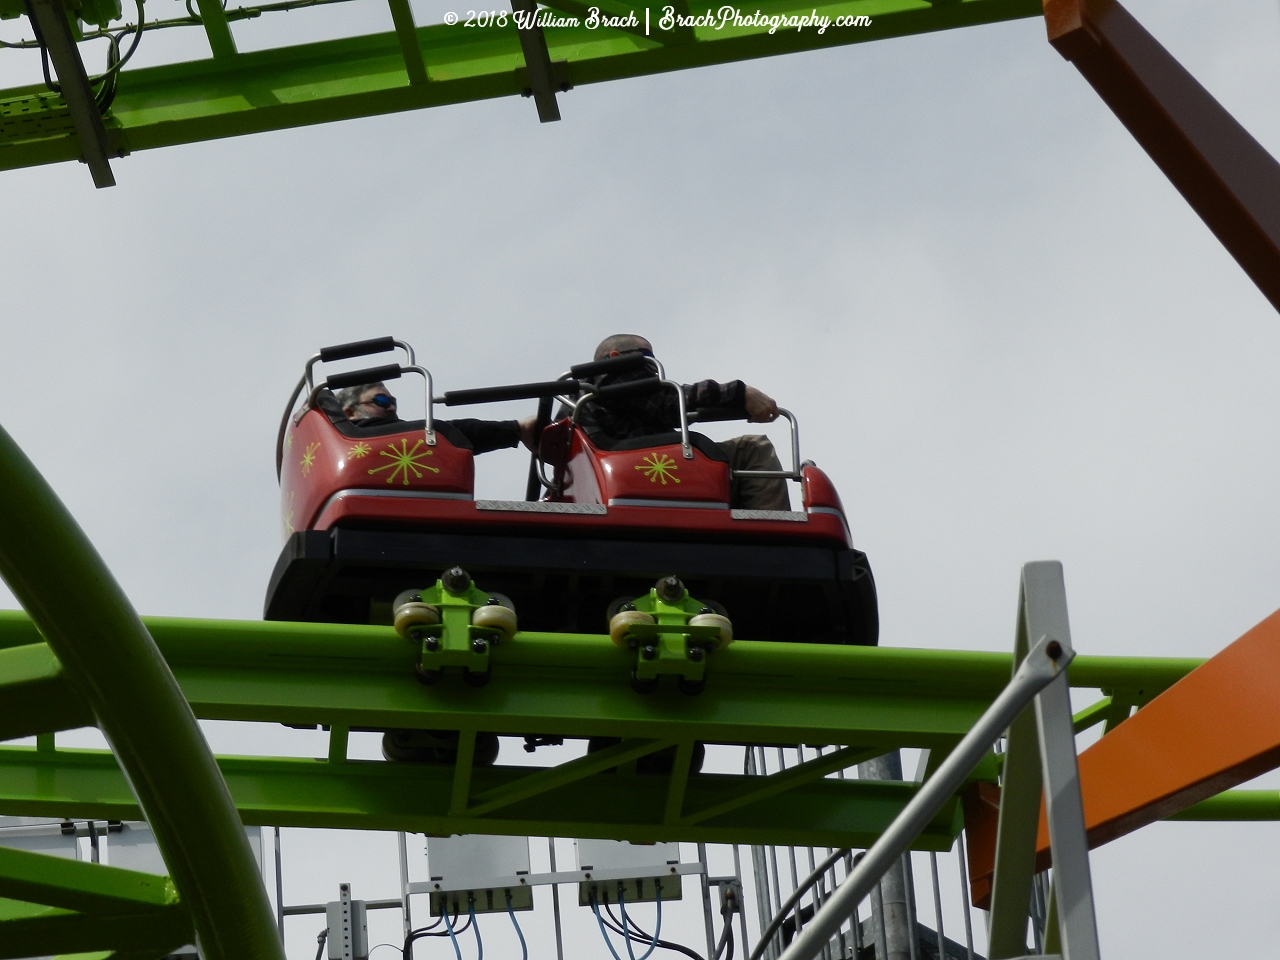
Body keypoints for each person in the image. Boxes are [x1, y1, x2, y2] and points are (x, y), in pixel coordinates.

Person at [576, 334, 791, 510]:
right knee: (752, 448)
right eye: (646, 356)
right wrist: (739, 392)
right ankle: (775, 532)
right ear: (615, 357)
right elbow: (671, 403)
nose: (652, 366)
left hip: (614, 475)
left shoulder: (573, 399)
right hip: (650, 464)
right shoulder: (615, 378)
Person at [335, 382, 538, 453]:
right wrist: (517, 430)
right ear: (350, 413)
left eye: (393, 401)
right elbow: (447, 434)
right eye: (380, 400)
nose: (390, 407)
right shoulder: (365, 439)